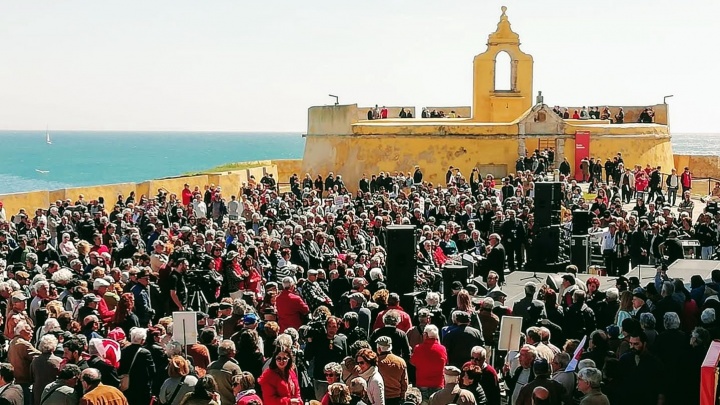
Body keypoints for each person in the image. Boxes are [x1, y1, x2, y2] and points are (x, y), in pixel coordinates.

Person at [118, 327, 155, 405]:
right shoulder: (145, 353)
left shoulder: (123, 350)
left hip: (127, 385)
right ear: (142, 340)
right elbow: (152, 371)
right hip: (142, 387)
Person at [409, 325, 446, 402]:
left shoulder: (418, 348)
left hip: (422, 383)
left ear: (425, 335)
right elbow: (445, 362)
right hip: (438, 383)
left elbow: (412, 362)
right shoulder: (442, 349)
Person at [207, 340, 242, 405]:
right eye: (234, 350)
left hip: (215, 402)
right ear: (231, 352)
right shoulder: (234, 368)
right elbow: (240, 388)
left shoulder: (210, 366)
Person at [30, 334, 62, 405]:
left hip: (38, 393)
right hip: (52, 394)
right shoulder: (59, 361)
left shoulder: (35, 361)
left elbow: (31, 377)